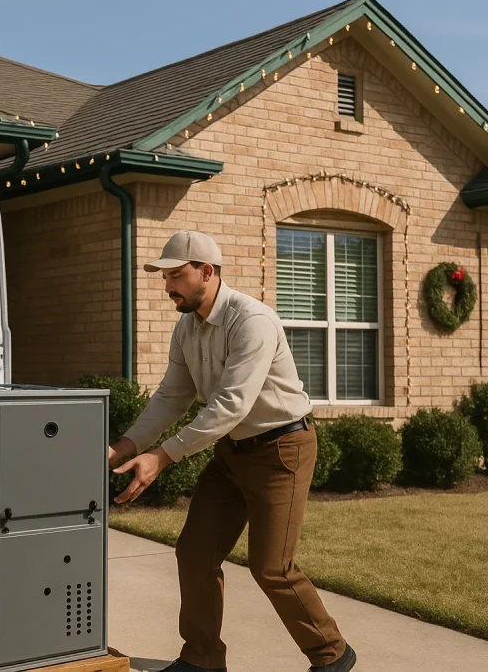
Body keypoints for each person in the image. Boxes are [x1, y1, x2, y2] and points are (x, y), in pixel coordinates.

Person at [108, 231, 356, 672]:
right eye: (165, 277)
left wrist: (162, 457)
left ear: (207, 271)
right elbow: (172, 397)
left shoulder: (252, 321)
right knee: (195, 553)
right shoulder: (187, 326)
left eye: (177, 275)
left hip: (283, 450)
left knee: (272, 567)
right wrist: (126, 446)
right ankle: (202, 660)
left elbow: (231, 405)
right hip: (232, 454)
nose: (168, 287)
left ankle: (331, 654)